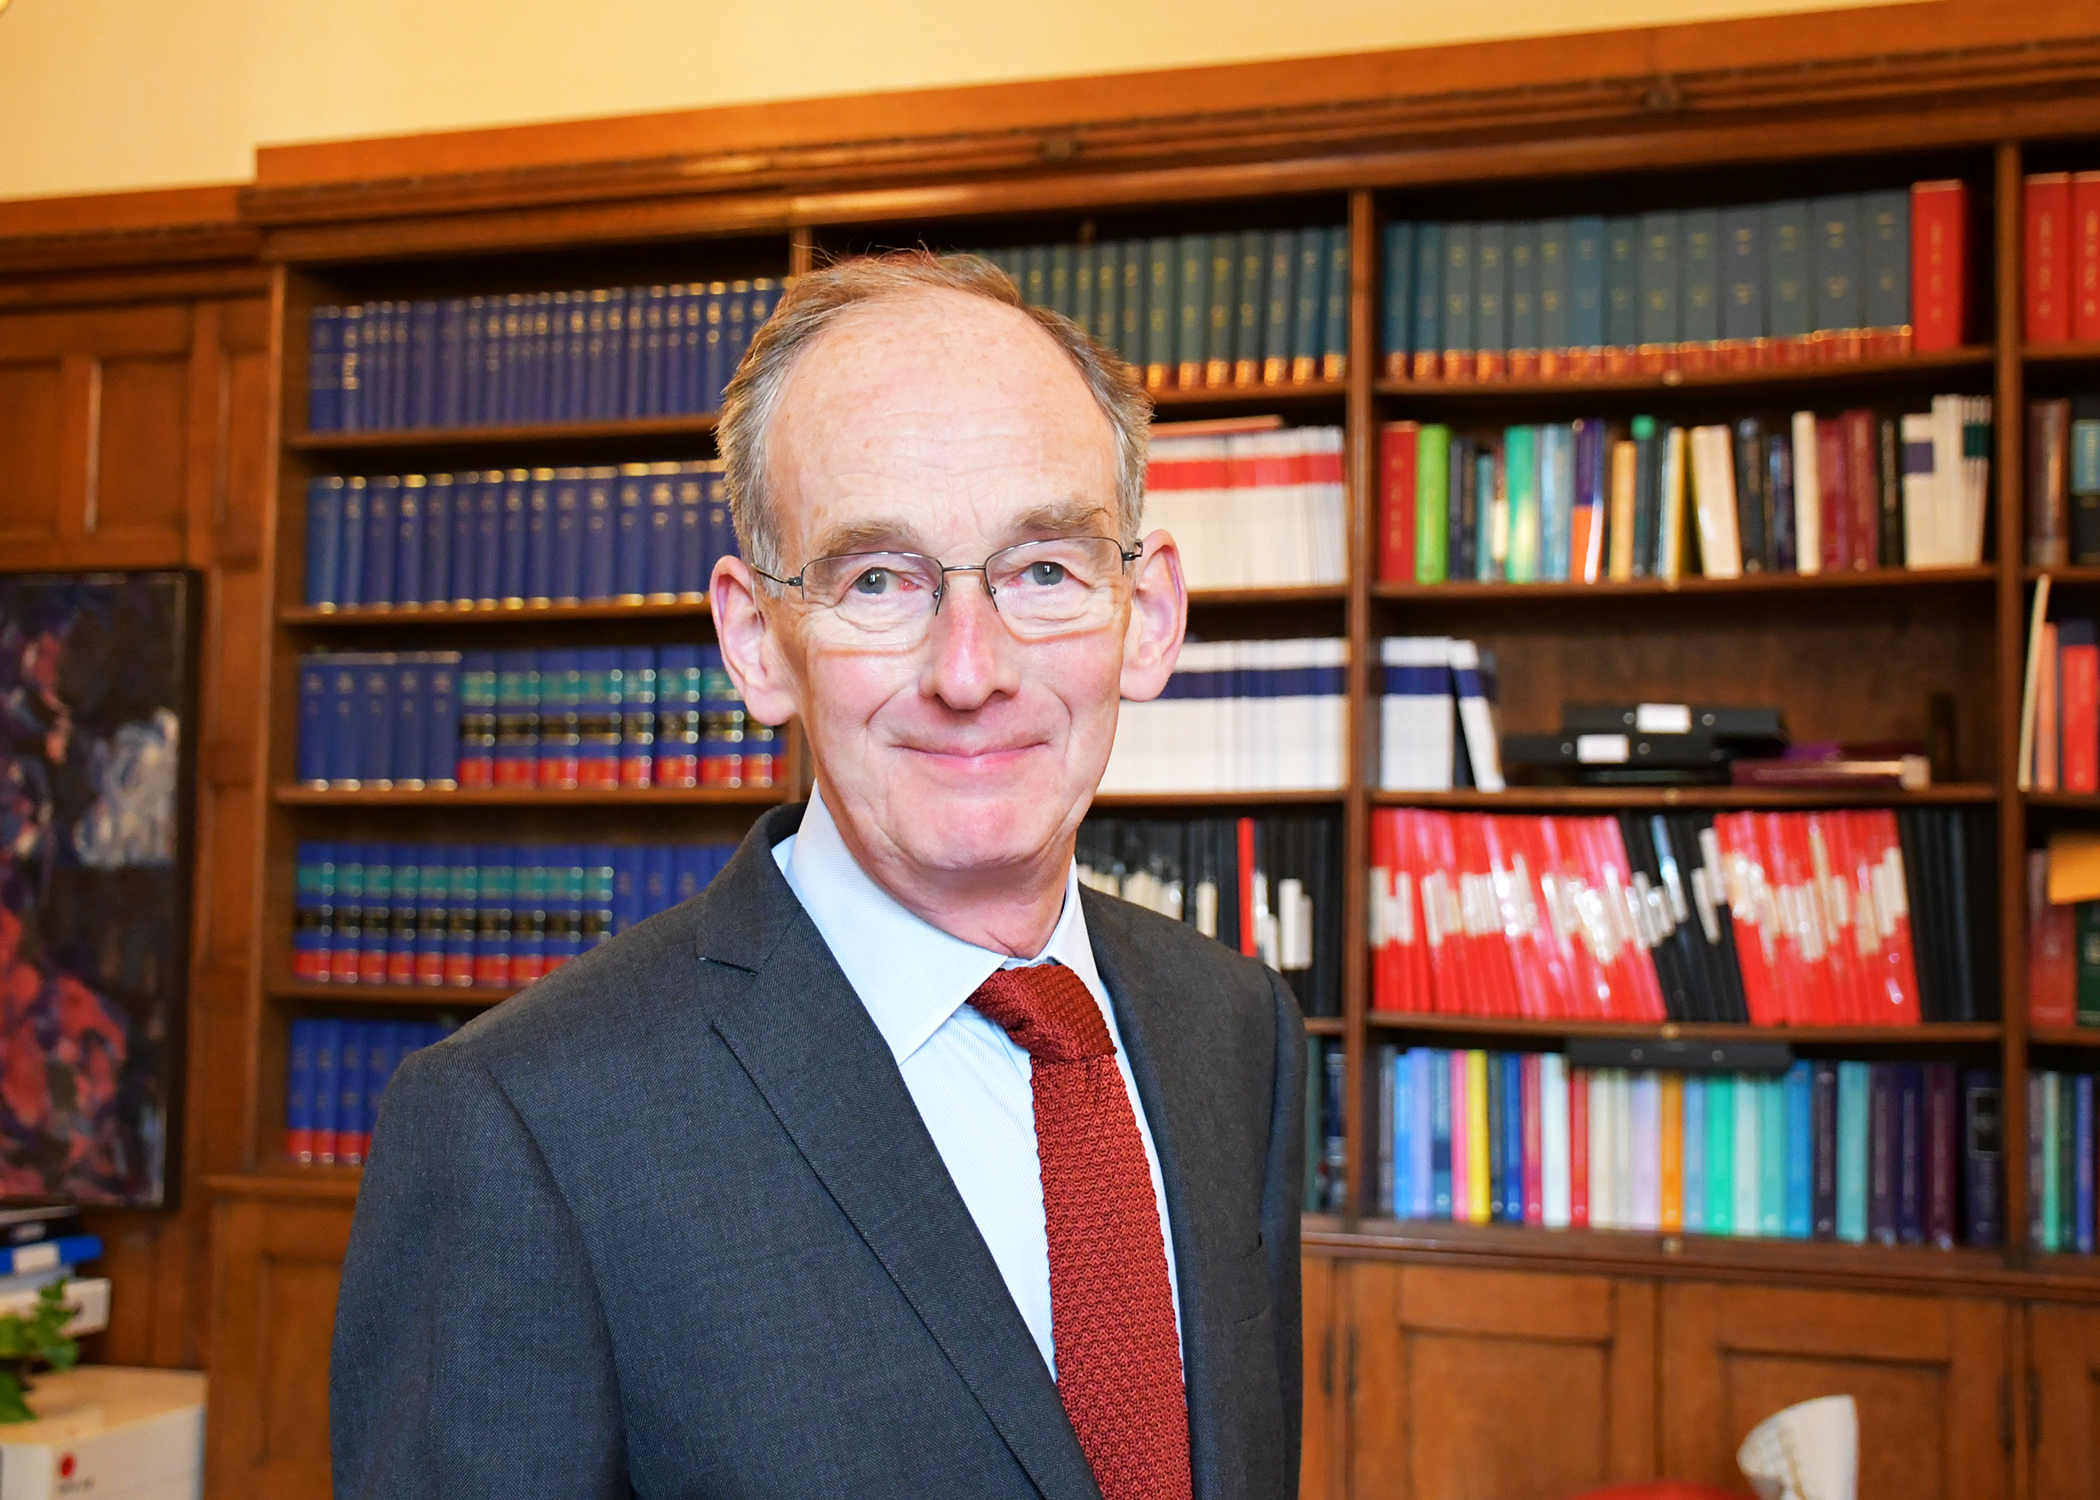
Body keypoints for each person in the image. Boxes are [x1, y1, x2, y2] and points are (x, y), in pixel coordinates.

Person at [330, 252, 1304, 1500]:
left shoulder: (1235, 1030)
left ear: (1149, 613)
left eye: (1045, 568)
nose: (972, 668)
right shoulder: (522, 1126)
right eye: (879, 579)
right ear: (757, 644)